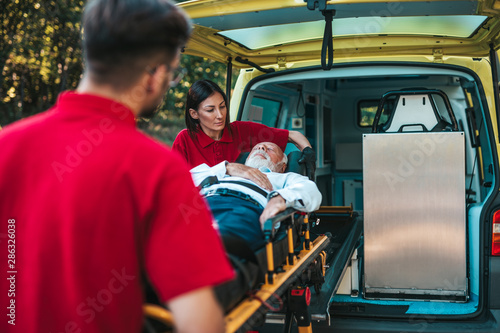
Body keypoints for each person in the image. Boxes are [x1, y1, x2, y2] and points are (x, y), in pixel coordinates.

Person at [0, 1, 234, 333]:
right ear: (154, 74)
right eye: (173, 72)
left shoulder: (5, 147)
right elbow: (201, 324)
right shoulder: (158, 169)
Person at [172, 80, 317, 187]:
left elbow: (293, 135)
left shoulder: (242, 131)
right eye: (210, 110)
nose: (220, 115)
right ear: (194, 114)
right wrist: (227, 169)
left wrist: (308, 152)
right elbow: (174, 184)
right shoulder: (184, 140)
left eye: (222, 107)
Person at [191, 142, 322, 251]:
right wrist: (228, 168)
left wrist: (280, 199)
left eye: (270, 149)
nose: (261, 148)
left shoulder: (283, 178)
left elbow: (311, 191)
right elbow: (182, 178)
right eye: (256, 148)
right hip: (202, 204)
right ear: (247, 159)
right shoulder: (223, 171)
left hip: (244, 209)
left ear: (282, 167)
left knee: (213, 242)